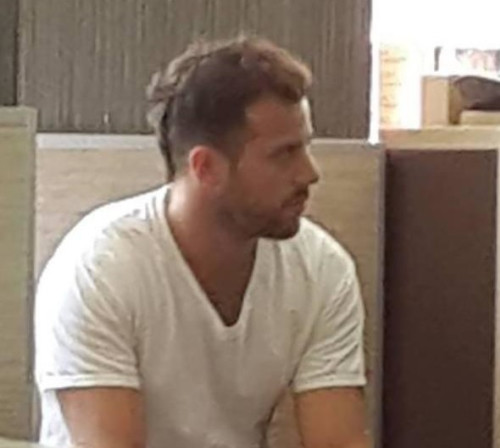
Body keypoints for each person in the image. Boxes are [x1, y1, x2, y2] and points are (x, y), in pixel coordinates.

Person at [35, 36, 370, 448]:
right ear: (206, 167)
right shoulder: (99, 268)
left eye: (306, 147)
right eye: (284, 154)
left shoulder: (321, 269)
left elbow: (338, 441)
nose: (310, 173)